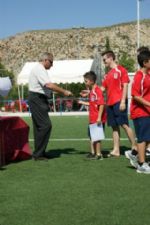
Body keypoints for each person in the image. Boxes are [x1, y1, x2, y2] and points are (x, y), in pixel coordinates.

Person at [28, 52, 72, 160]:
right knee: (45, 125)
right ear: (45, 60)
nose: (52, 65)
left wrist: (53, 93)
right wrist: (64, 91)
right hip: (37, 99)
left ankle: (39, 153)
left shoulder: (39, 69)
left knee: (39, 127)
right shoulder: (40, 69)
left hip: (37, 98)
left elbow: (45, 87)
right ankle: (38, 154)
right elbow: (49, 85)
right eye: (51, 62)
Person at [101, 50, 137, 157]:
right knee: (114, 127)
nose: (104, 62)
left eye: (104, 60)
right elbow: (102, 88)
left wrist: (123, 101)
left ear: (111, 58)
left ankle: (134, 146)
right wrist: (91, 91)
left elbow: (125, 85)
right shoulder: (107, 75)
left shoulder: (121, 70)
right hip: (110, 103)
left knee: (124, 124)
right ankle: (116, 150)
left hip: (119, 102)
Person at [125, 46, 150, 161]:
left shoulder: (147, 75)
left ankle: (135, 154)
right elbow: (135, 95)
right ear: (145, 63)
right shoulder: (140, 76)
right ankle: (141, 164)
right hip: (140, 112)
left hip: (146, 112)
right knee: (143, 138)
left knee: (146, 137)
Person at [78, 71, 106, 160]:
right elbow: (92, 103)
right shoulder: (92, 92)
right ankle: (93, 152)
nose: (85, 83)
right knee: (92, 136)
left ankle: (98, 154)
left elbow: (101, 104)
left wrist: (99, 117)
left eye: (86, 81)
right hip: (92, 117)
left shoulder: (97, 91)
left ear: (92, 81)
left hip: (96, 118)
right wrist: (82, 102)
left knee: (97, 137)